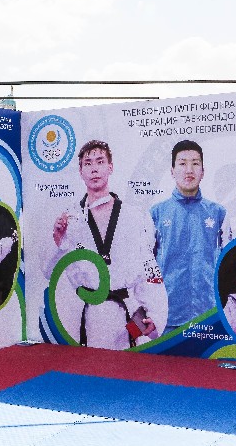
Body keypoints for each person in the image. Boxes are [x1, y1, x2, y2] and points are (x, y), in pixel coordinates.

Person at [45, 140, 167, 349]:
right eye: (88, 163)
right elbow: (49, 273)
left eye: (100, 161)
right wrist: (59, 241)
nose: (94, 169)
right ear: (81, 172)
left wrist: (156, 314)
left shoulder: (134, 216)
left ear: (110, 167)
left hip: (125, 315)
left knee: (125, 368)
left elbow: (149, 268)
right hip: (85, 315)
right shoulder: (70, 219)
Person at [151, 139, 231, 333]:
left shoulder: (218, 213)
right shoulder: (157, 214)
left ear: (203, 171)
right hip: (167, 316)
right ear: (172, 171)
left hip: (208, 314)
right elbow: (146, 267)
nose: (189, 170)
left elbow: (229, 265)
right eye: (182, 163)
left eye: (195, 164)